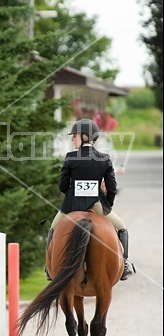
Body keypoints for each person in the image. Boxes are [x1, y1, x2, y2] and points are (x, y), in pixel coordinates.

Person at [45, 118, 135, 281]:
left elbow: (62, 186)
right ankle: (125, 265)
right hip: (96, 204)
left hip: (71, 205)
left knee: (52, 229)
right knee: (122, 228)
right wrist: (107, 205)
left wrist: (72, 195)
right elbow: (112, 188)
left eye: (75, 136)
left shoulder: (70, 157)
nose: (72, 139)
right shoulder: (104, 158)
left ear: (84, 136)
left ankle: (48, 267)